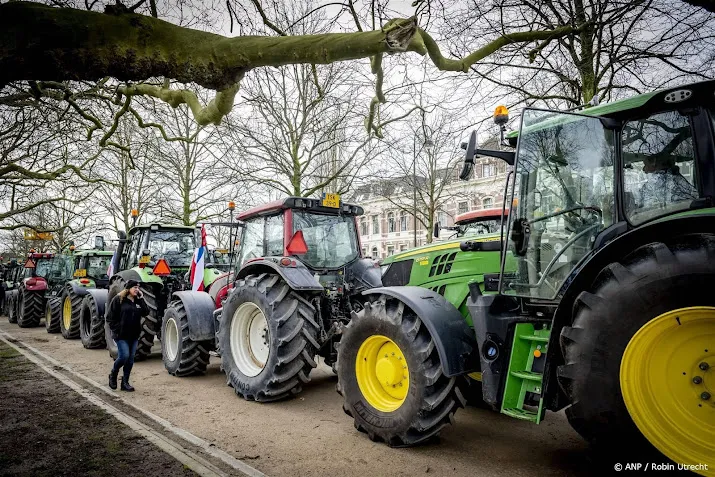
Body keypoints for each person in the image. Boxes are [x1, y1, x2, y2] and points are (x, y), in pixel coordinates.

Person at [106, 279, 148, 392]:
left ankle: (125, 383)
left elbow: (146, 312)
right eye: (135, 287)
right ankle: (113, 374)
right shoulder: (118, 300)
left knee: (130, 360)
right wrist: (117, 330)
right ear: (128, 288)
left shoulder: (138, 301)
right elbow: (110, 318)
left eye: (138, 288)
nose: (137, 290)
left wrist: (142, 298)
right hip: (121, 335)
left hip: (134, 335)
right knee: (124, 356)